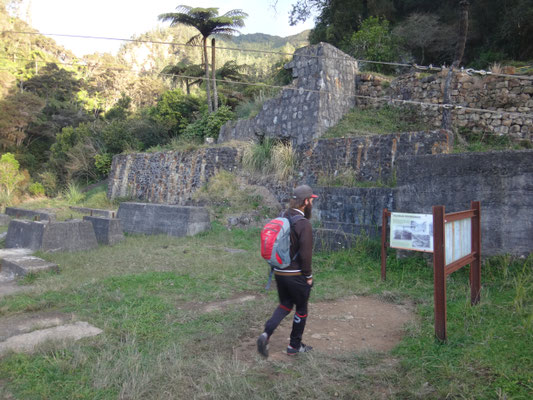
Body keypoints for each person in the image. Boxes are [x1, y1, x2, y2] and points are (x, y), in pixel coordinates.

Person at [257, 184, 318, 357]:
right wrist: (308, 276)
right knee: (301, 309)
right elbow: (306, 255)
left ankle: (266, 334)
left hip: (279, 271)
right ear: (306, 202)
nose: (312, 203)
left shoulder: (283, 216)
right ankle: (294, 346)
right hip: (296, 274)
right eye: (311, 200)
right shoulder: (303, 223)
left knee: (285, 304)